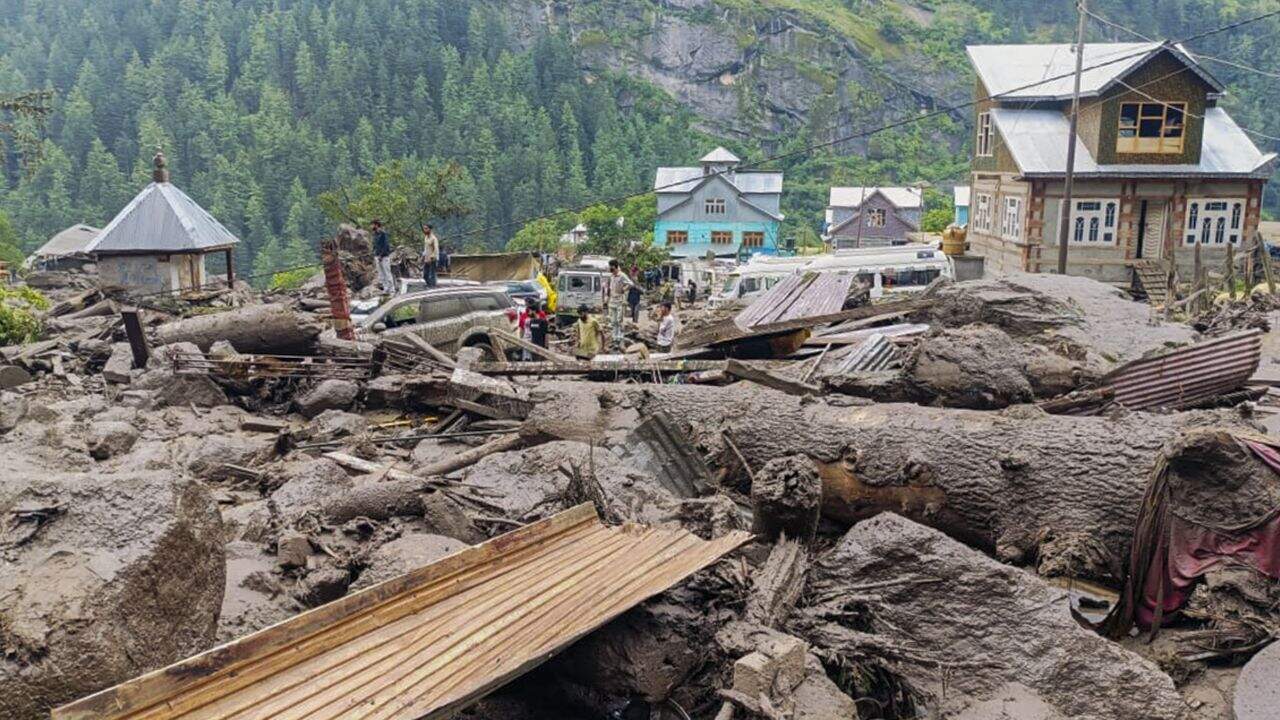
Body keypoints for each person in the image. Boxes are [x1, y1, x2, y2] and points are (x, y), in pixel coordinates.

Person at [603, 259, 634, 349]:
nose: (610, 269)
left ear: (615, 266)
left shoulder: (622, 275)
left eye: (611, 267)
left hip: (619, 300)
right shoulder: (611, 276)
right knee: (613, 321)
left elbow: (631, 284)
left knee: (619, 320)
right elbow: (608, 288)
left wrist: (624, 289)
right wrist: (606, 298)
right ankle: (614, 338)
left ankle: (620, 338)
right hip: (612, 300)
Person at [371, 219, 394, 294]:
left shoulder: (383, 234)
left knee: (387, 272)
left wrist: (381, 255)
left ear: (376, 225)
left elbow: (386, 245)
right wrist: (374, 253)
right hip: (377, 256)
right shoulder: (375, 234)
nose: (371, 226)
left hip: (384, 256)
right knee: (381, 273)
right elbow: (375, 245)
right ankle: (385, 288)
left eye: (372, 224)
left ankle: (391, 289)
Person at [421, 224, 440, 288]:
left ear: (430, 229)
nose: (425, 230)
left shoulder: (434, 238)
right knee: (425, 275)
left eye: (426, 228)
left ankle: (432, 286)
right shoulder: (426, 237)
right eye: (424, 228)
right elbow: (426, 248)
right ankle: (429, 285)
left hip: (433, 259)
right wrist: (423, 256)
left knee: (432, 274)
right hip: (426, 259)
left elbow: (436, 249)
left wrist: (432, 257)